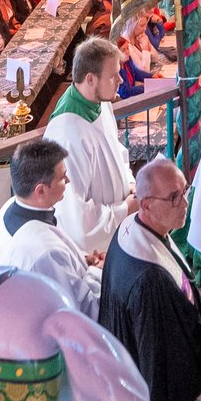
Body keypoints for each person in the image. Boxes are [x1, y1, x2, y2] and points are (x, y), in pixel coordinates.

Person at [100, 158, 201, 401]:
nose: (185, 203)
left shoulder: (133, 228)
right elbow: (163, 363)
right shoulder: (150, 282)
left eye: (184, 191)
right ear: (146, 205)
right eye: (174, 197)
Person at [44, 37, 135, 258]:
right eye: (113, 75)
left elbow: (117, 151)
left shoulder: (101, 103)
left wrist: (130, 184)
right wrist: (125, 210)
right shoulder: (67, 132)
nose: (120, 80)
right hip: (95, 254)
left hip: (121, 221)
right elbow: (76, 216)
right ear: (90, 79)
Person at [0, 138, 97, 317]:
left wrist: (82, 260)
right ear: (40, 190)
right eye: (62, 177)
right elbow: (79, 311)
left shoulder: (7, 209)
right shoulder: (44, 252)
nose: (68, 180)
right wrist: (97, 270)